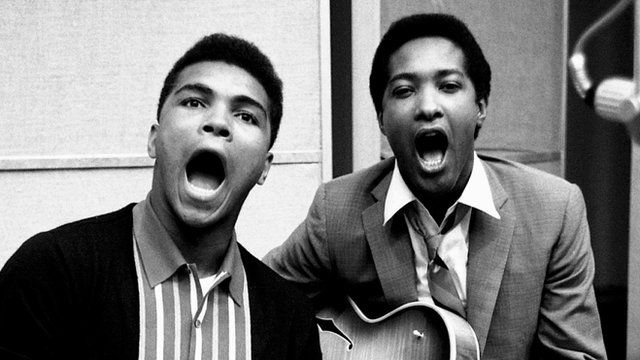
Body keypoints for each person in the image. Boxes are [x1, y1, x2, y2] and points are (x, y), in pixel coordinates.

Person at [264, 13, 607, 359]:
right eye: (404, 90)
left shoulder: (554, 210)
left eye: (449, 86)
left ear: (481, 108)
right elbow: (256, 302)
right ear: (382, 119)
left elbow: (577, 353)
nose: (428, 107)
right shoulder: (337, 210)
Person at [0, 33, 321, 359]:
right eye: (194, 102)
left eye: (245, 116)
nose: (218, 122)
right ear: (154, 139)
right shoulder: (53, 271)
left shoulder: (290, 319)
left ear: (264, 168)